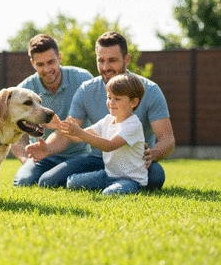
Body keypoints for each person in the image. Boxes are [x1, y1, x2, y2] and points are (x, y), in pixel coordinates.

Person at [26, 31, 175, 189]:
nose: (105, 67)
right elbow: (72, 133)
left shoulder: (150, 90)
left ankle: (118, 184)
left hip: (134, 163)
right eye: (101, 60)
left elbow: (167, 138)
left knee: (156, 174)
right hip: (97, 159)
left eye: (112, 60)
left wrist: (153, 153)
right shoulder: (86, 90)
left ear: (127, 60)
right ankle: (112, 183)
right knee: (48, 181)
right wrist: (49, 145)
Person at [11, 34, 94, 186]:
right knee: (23, 181)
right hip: (41, 156)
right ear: (32, 63)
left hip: (77, 154)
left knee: (48, 181)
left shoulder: (82, 79)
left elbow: (77, 125)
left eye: (51, 62)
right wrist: (25, 159)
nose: (47, 69)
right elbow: (14, 130)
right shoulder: (24, 90)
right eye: (40, 64)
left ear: (60, 57)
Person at [59, 74, 147, 195]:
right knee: (71, 182)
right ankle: (109, 185)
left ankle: (118, 188)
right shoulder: (107, 120)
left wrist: (79, 131)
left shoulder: (133, 124)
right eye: (109, 97)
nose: (111, 102)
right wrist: (59, 126)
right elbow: (78, 138)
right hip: (108, 175)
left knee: (110, 193)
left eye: (117, 98)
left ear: (134, 102)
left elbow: (109, 146)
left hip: (130, 179)